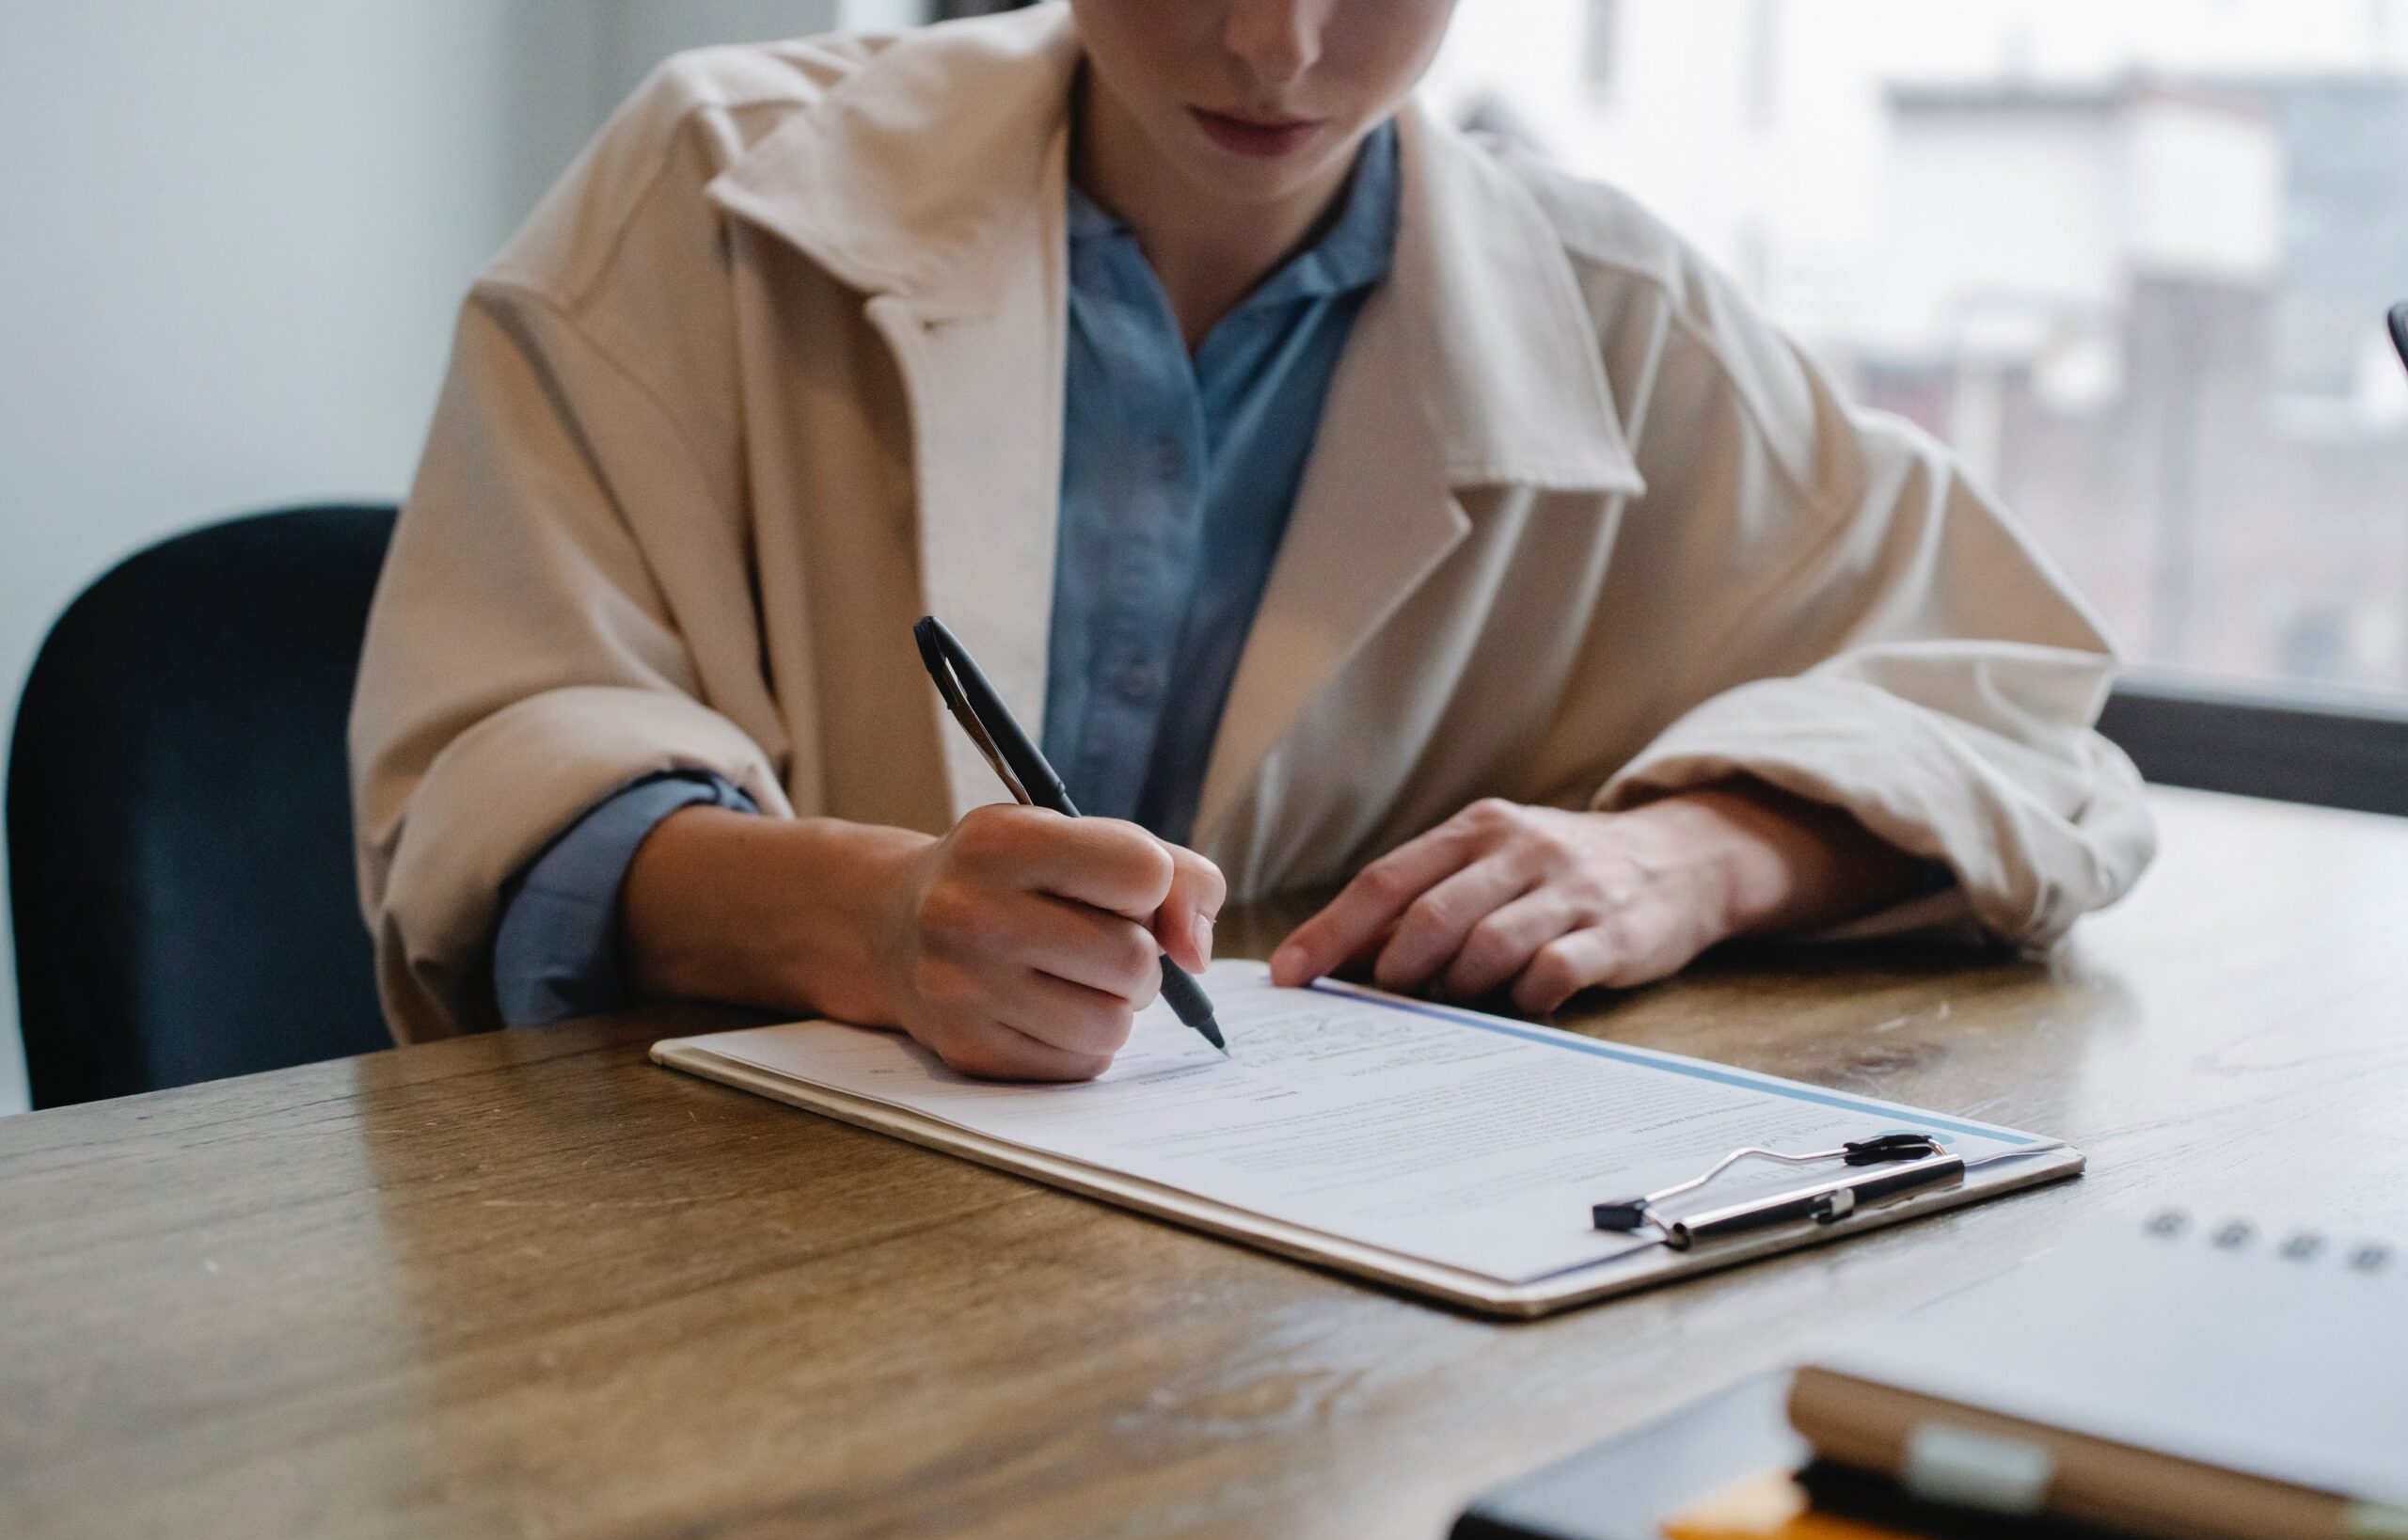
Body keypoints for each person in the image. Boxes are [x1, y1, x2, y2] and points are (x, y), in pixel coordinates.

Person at [349, 0, 2154, 1081]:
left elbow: (2029, 727)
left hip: (1321, 1322)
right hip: (727, 1275)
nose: (1279, 47)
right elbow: (496, 772)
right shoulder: (710, 186)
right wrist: (873, 924)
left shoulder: (1624, 322)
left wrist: (1691, 859)